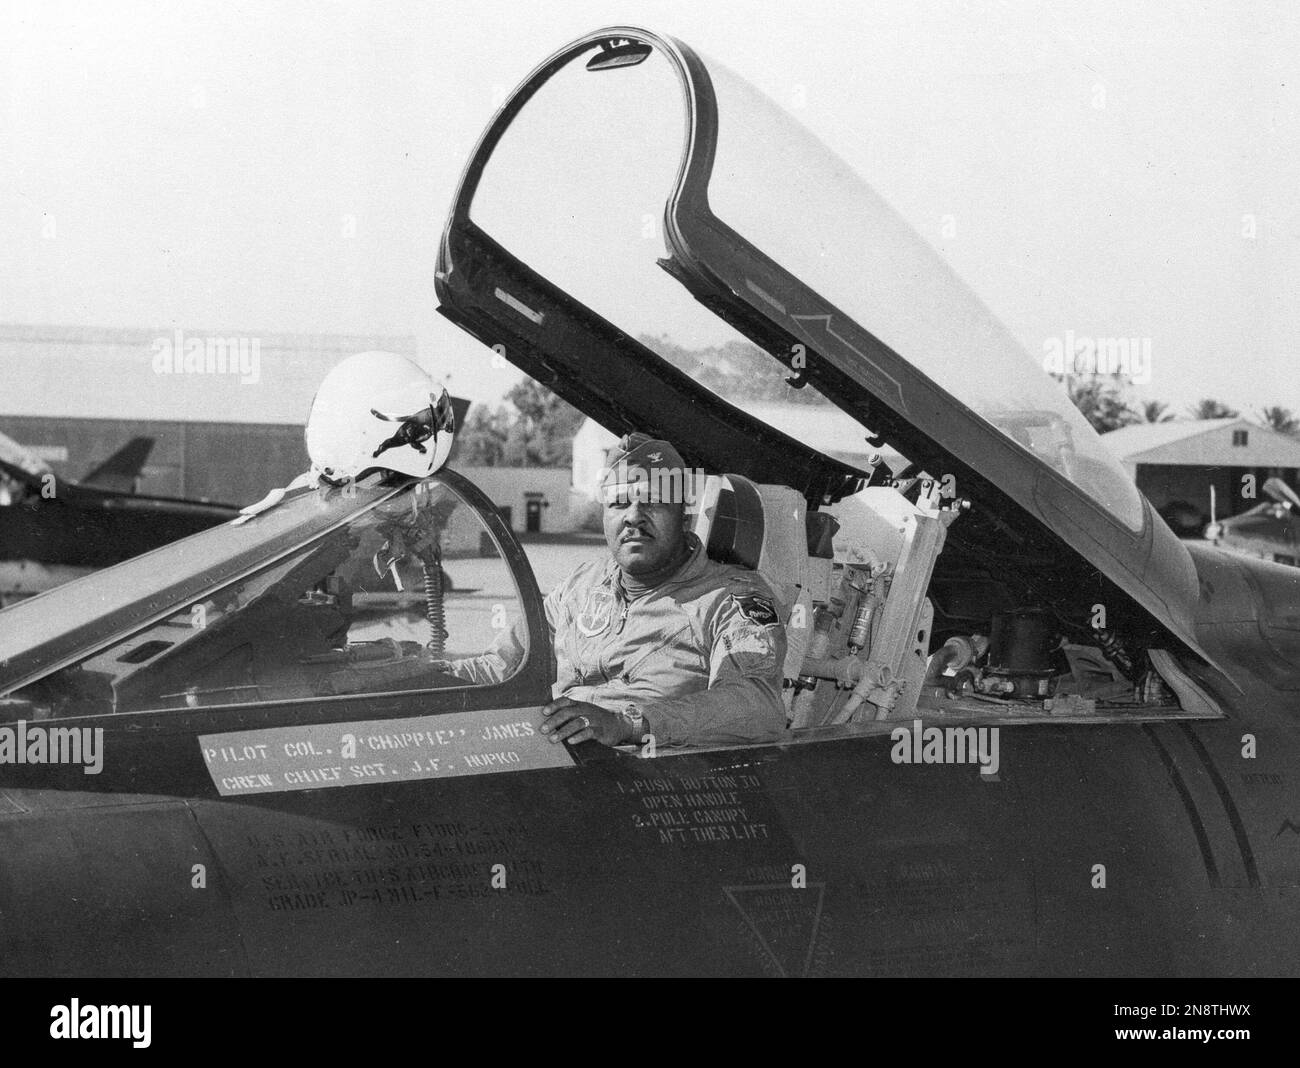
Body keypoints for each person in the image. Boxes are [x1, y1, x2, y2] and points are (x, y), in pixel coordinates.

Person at [447, 433, 788, 749]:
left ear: (683, 516)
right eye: (619, 504)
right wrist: (414, 673)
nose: (633, 517)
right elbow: (505, 665)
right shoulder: (583, 585)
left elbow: (757, 705)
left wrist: (629, 725)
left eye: (652, 502)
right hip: (550, 753)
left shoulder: (729, 599)